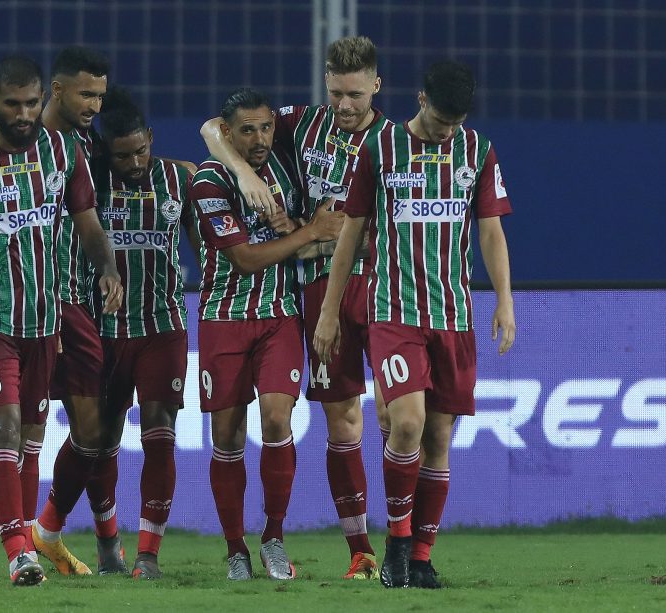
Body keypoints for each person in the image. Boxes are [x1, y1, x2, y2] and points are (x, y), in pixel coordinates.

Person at [314, 59, 516, 589]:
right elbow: (350, 235)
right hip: (393, 312)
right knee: (405, 423)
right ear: (421, 99)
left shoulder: (478, 151)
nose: (449, 132)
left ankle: (422, 557)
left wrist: (504, 301)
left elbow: (491, 233)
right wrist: (331, 312)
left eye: (457, 123)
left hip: (452, 315)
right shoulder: (379, 151)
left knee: (439, 436)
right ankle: (397, 546)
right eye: (442, 120)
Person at [200, 36, 389, 580]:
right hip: (315, 290)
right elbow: (214, 127)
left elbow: (391, 229)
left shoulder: (396, 142)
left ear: (375, 86)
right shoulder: (303, 123)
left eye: (355, 95)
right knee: (341, 418)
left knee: (405, 421)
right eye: (336, 94)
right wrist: (245, 172)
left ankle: (406, 544)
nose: (345, 106)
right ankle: (361, 551)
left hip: (380, 287)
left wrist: (328, 236)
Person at [0, 53, 122, 588]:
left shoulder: (64, 154)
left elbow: (88, 225)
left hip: (44, 322)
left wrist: (107, 268)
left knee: (29, 442)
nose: (22, 113)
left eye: (31, 104)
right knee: (4, 430)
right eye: (12, 104)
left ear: (43, 101)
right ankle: (19, 552)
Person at [190, 88, 344, 581]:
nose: (259, 139)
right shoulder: (210, 180)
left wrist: (299, 227)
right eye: (248, 130)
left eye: (266, 128)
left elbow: (309, 233)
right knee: (227, 436)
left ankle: (274, 537)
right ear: (230, 133)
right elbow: (245, 257)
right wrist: (308, 232)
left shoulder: (286, 170)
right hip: (223, 317)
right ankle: (235, 548)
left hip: (280, 316)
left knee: (278, 420)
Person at [84, 87, 200, 579]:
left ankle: (149, 554)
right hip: (104, 330)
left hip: (163, 327)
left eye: (141, 149)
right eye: (123, 155)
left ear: (152, 138)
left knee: (161, 433)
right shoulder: (87, 186)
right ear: (104, 152)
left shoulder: (181, 178)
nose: (134, 162)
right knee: (103, 437)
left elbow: (206, 248)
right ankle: (108, 540)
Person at [30, 46, 129, 577]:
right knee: (20, 428)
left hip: (80, 301)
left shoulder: (84, 145)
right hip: (39, 303)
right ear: (58, 89)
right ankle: (6, 542)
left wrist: (107, 271)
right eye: (86, 93)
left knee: (95, 430)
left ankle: (47, 532)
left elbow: (89, 223)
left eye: (100, 95)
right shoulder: (26, 147)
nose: (94, 103)